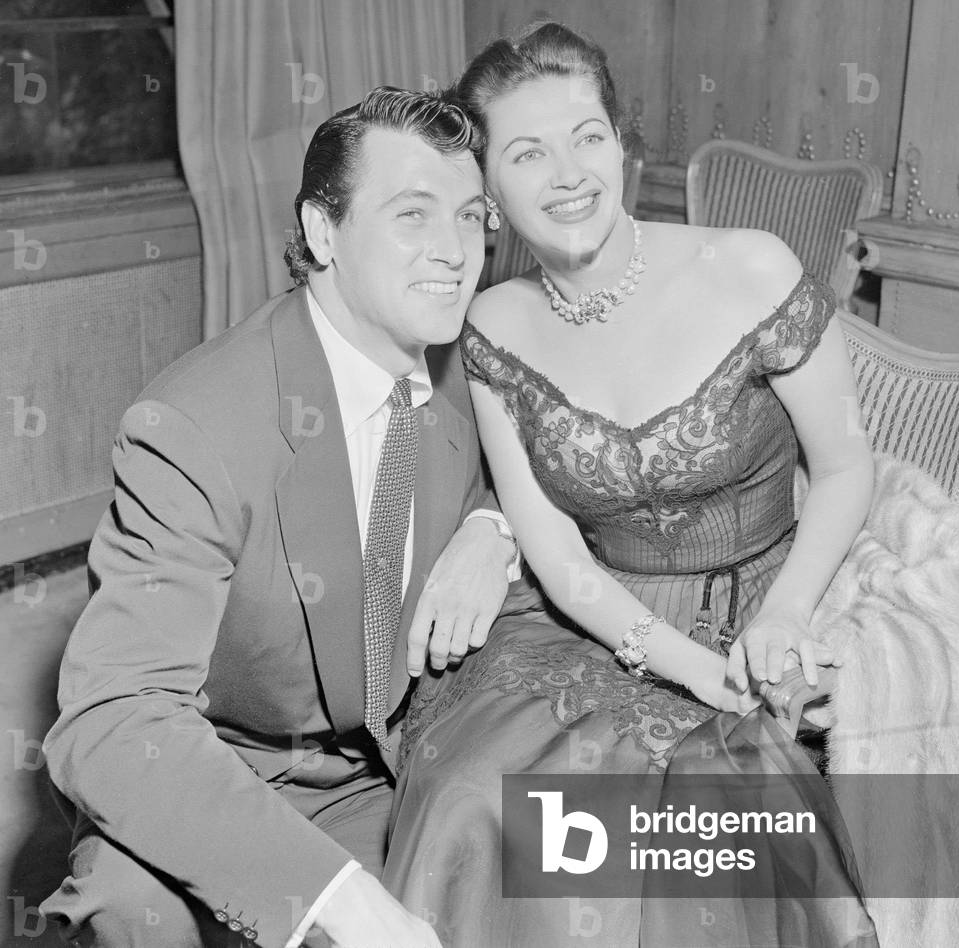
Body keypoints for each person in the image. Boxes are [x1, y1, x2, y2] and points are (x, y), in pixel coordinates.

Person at [382, 22, 879, 947]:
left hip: (773, 592)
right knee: (474, 798)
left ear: (624, 146)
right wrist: (682, 664)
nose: (569, 174)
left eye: (588, 138)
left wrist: (785, 616)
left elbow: (848, 466)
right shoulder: (490, 325)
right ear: (488, 192)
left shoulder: (751, 267)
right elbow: (555, 548)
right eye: (528, 154)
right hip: (604, 616)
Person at [39, 87, 519, 948]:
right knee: (128, 915)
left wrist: (493, 530)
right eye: (413, 214)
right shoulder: (195, 427)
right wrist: (337, 898)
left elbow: (520, 477)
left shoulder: (462, 360)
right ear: (323, 232)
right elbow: (110, 719)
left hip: (385, 763)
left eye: (472, 214)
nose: (456, 250)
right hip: (217, 764)